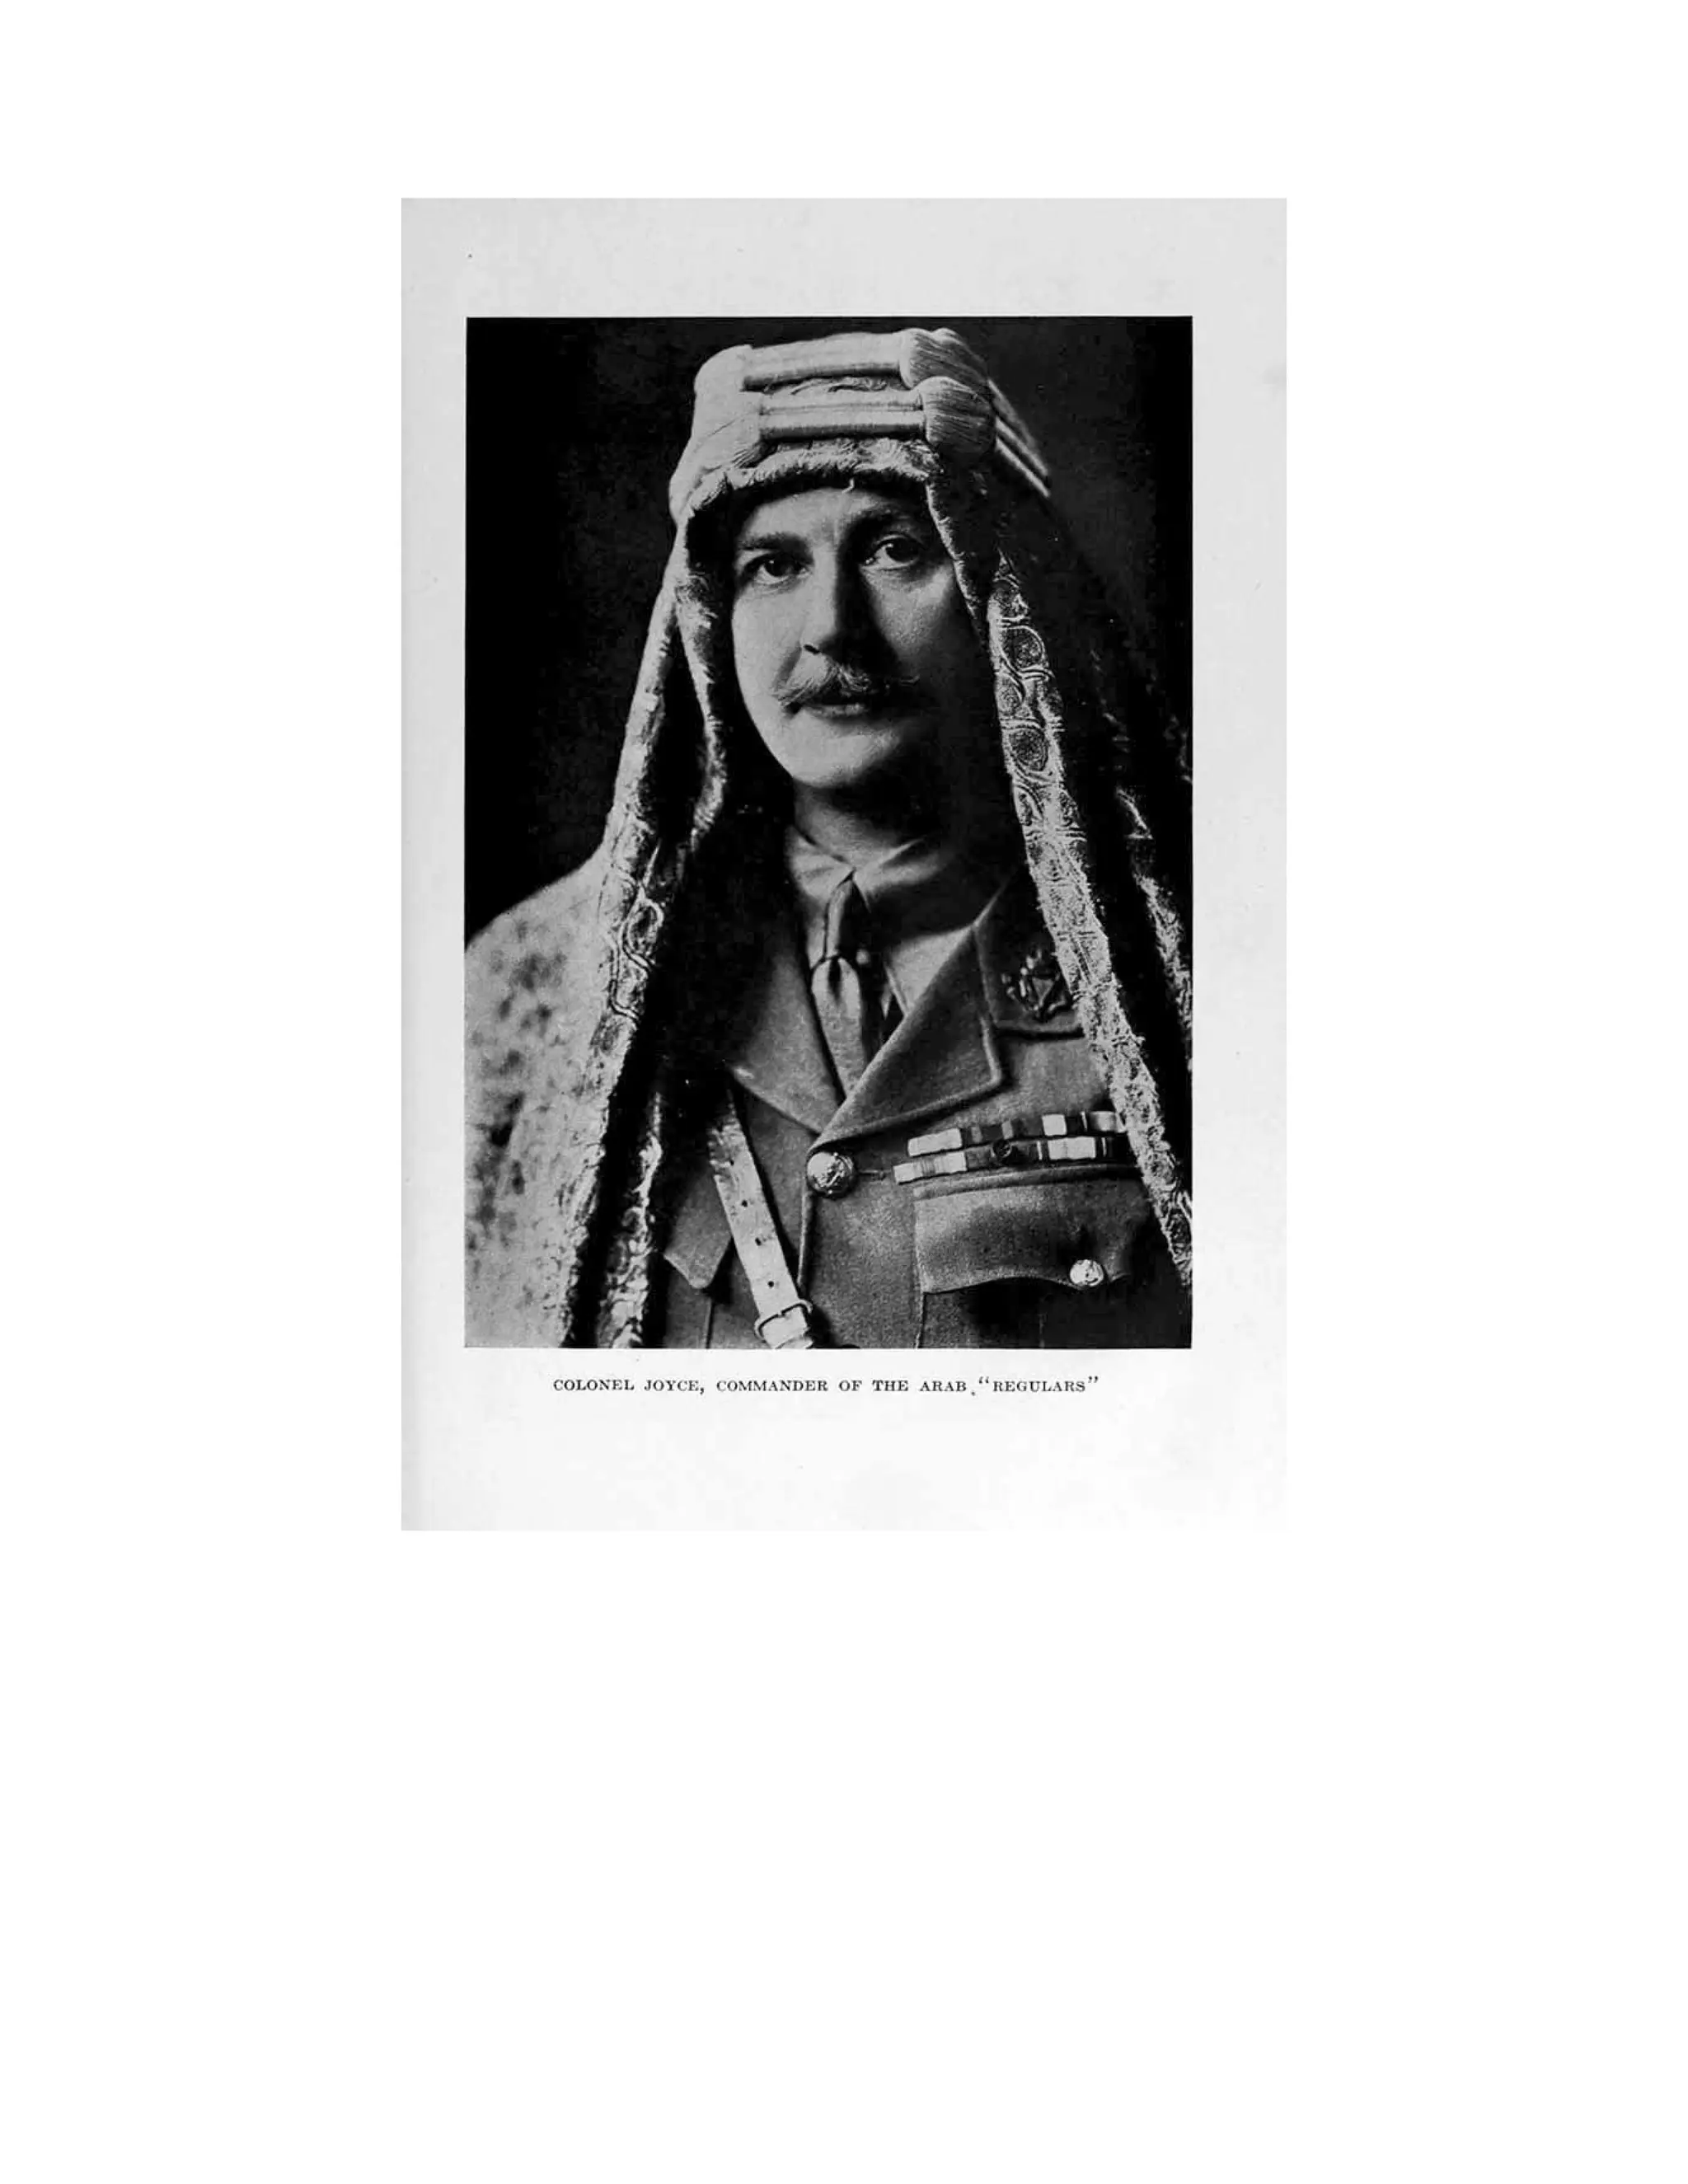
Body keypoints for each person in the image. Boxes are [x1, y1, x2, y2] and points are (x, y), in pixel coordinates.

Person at [467, 327, 1191, 1349]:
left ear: (1003, 595)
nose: (831, 628)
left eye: (895, 549)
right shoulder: (528, 989)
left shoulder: (1183, 975)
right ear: (709, 618)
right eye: (772, 566)